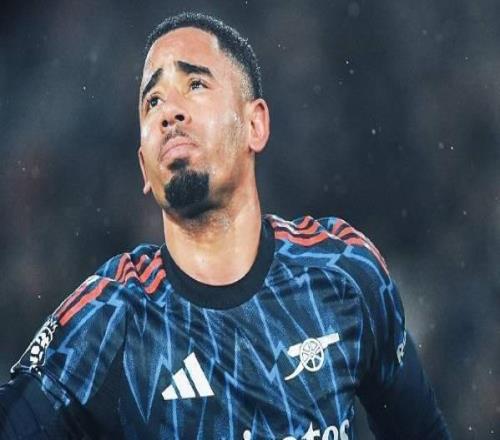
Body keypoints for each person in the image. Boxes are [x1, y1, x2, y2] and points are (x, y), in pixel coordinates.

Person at [0, 12, 451, 439]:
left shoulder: (343, 274)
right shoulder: (110, 319)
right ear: (144, 167)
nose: (168, 113)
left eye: (195, 84)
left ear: (255, 125)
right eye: (153, 101)